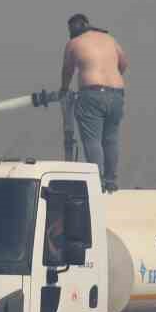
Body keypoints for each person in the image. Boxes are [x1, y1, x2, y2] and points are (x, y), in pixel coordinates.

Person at [60, 13, 128, 192]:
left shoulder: (74, 43)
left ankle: (97, 182)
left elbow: (67, 70)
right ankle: (111, 181)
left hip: (92, 94)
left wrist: (64, 90)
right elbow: (123, 63)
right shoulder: (110, 39)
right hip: (116, 94)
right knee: (111, 140)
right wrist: (111, 77)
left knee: (93, 141)